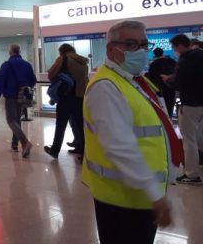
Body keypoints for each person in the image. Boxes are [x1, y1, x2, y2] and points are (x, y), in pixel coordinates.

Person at [83, 21, 183, 244]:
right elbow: (119, 146)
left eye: (143, 44)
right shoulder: (106, 86)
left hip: (139, 196)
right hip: (123, 200)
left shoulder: (132, 80)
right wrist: (154, 193)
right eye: (130, 44)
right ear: (111, 49)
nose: (140, 51)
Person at [162, 34, 203, 184]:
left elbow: (179, 83)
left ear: (179, 46)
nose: (173, 50)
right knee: (199, 136)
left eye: (173, 47)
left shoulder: (185, 59)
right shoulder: (200, 55)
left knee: (189, 139)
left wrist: (168, 80)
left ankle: (192, 174)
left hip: (190, 103)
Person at [44, 43, 88, 159]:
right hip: (80, 97)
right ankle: (83, 151)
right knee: (80, 125)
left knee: (61, 125)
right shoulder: (83, 62)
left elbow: (51, 74)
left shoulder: (63, 59)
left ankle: (55, 150)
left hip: (66, 96)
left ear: (61, 51)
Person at [0, 44, 35, 157]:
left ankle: (25, 142)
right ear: (19, 51)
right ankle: (14, 143)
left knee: (11, 120)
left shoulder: (6, 65)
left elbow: (1, 82)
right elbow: (33, 81)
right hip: (23, 96)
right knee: (17, 119)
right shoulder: (27, 65)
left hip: (11, 96)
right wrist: (25, 88)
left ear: (10, 52)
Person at [145, 48, 176, 118]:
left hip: (159, 89)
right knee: (170, 105)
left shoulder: (154, 64)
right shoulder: (171, 61)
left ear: (154, 54)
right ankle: (170, 119)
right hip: (171, 88)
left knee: (161, 107)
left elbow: (151, 78)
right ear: (162, 53)